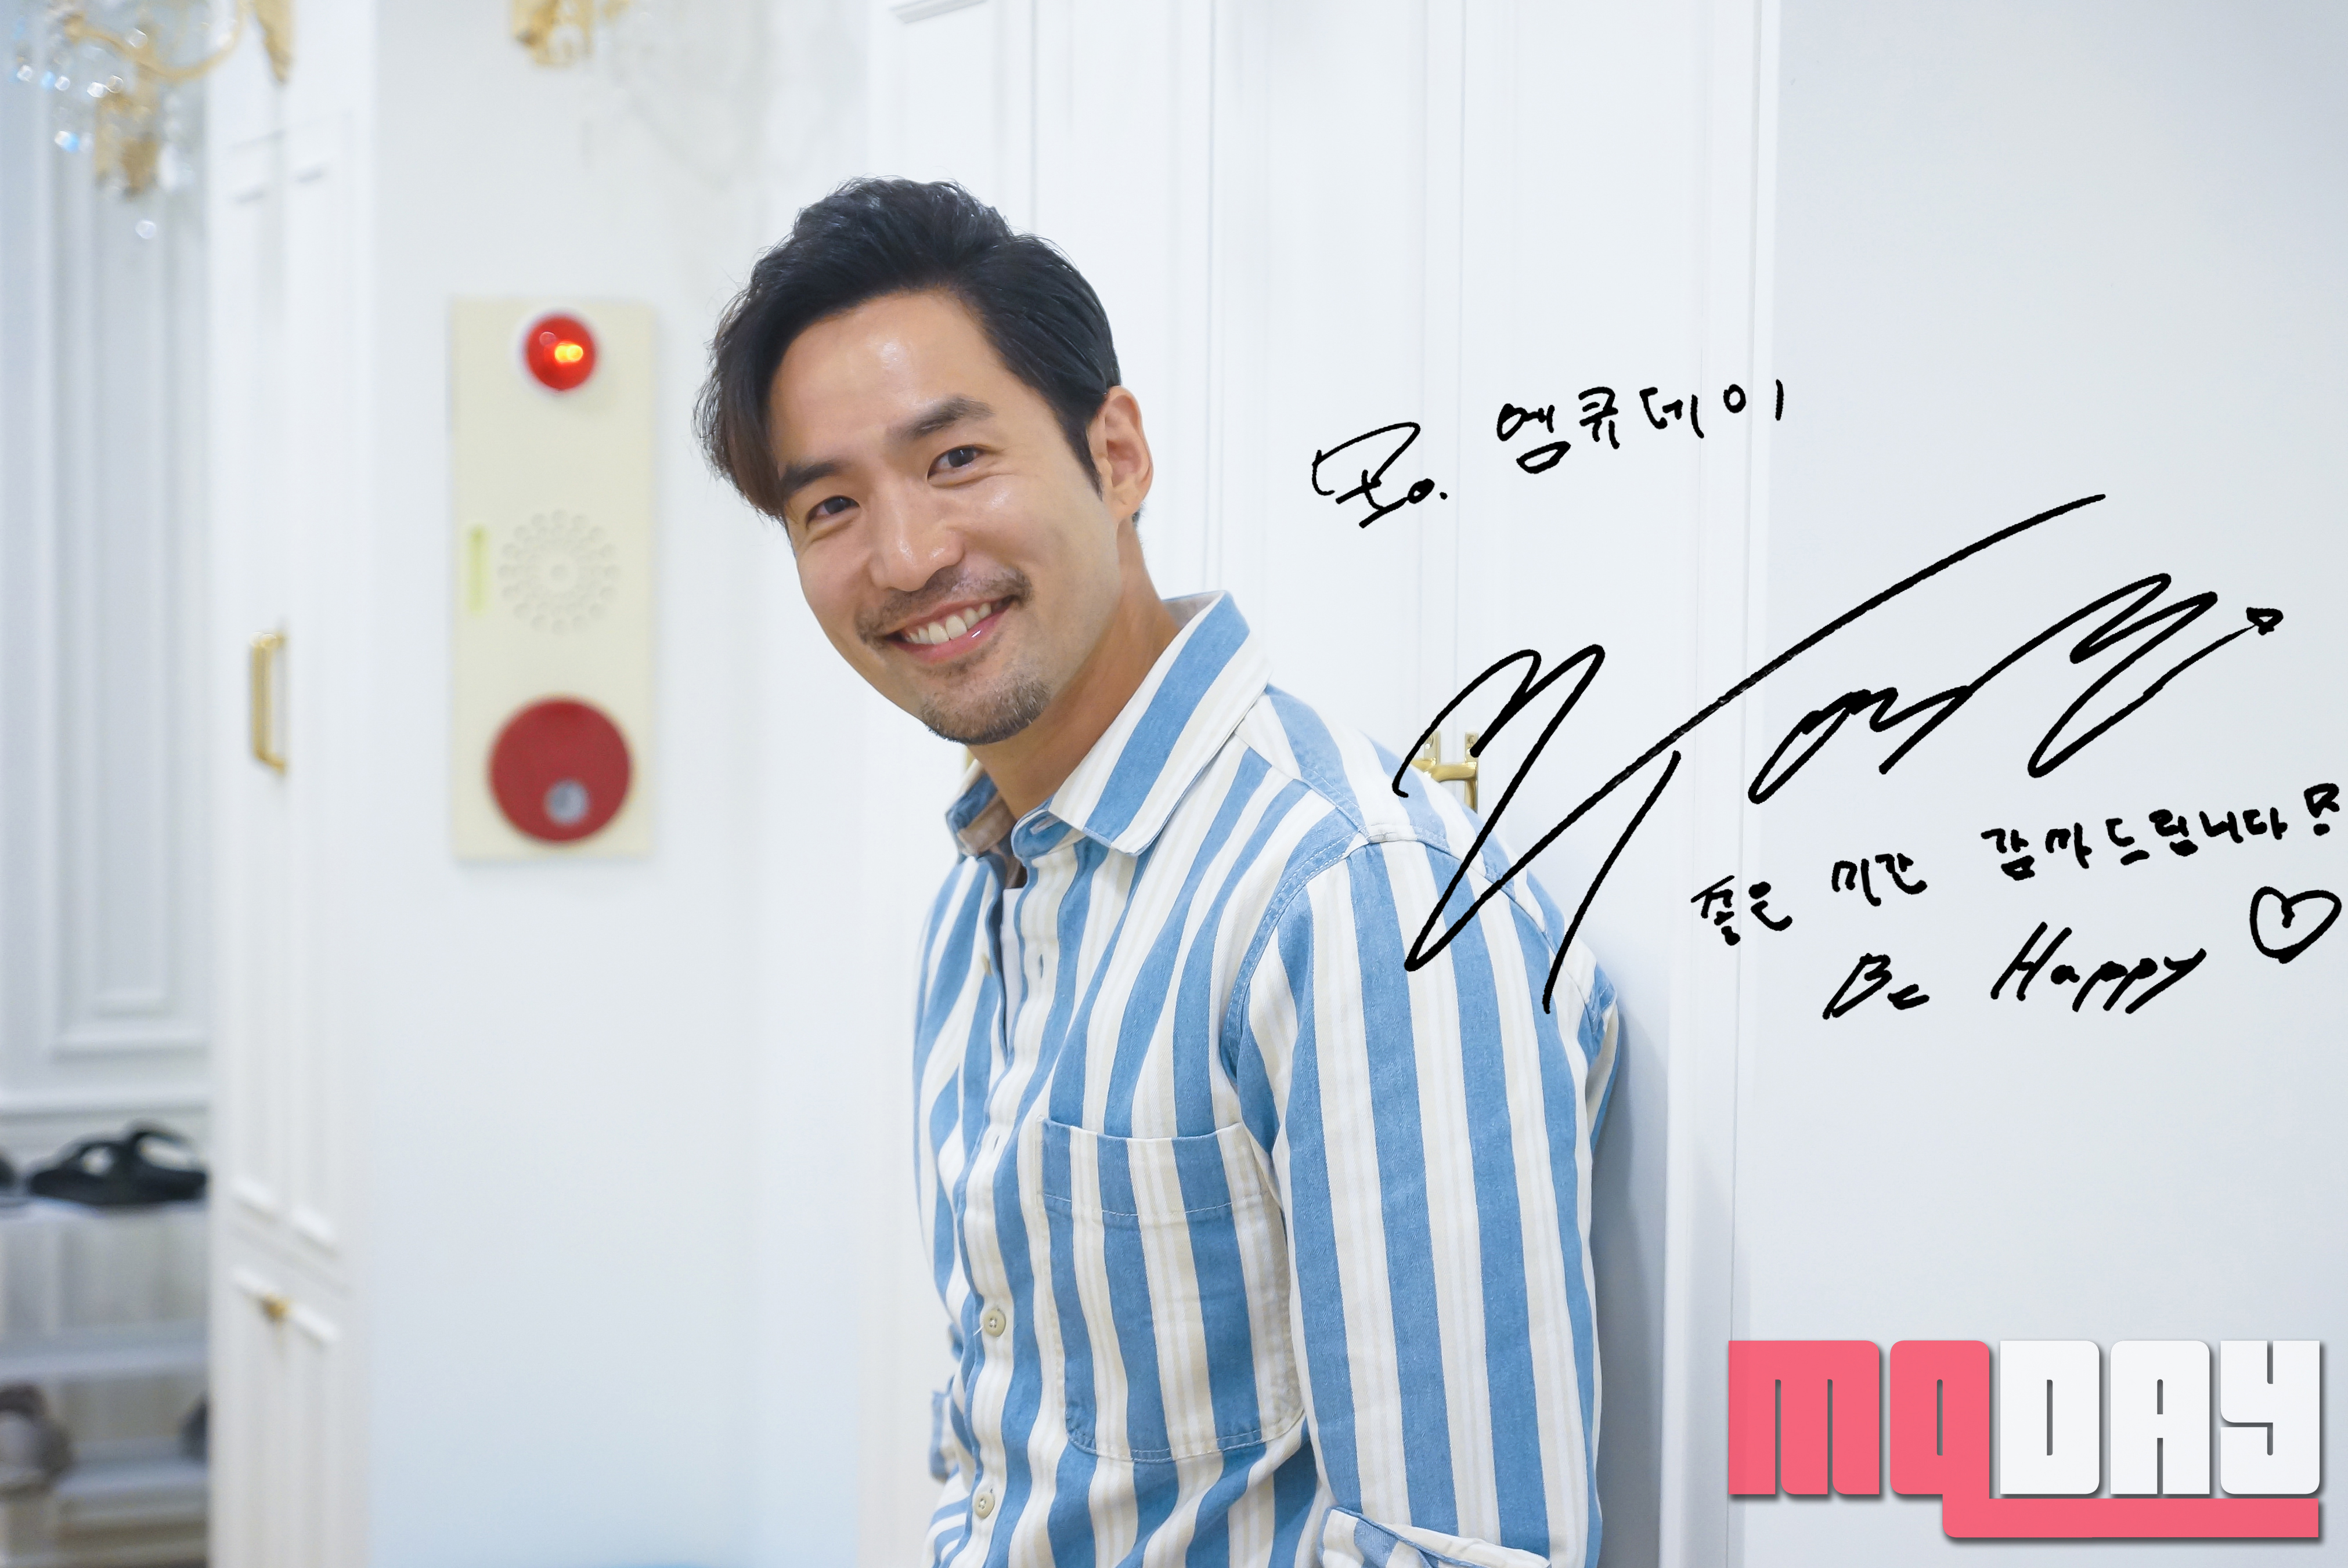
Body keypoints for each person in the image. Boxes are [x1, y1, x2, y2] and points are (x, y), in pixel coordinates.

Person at [698, 178, 1619, 1568]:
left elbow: (1467, 1548)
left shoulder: (1354, 896)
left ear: (1116, 454)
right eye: (830, 505)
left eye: (956, 459)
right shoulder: (981, 897)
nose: (907, 555)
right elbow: (1008, 1452)